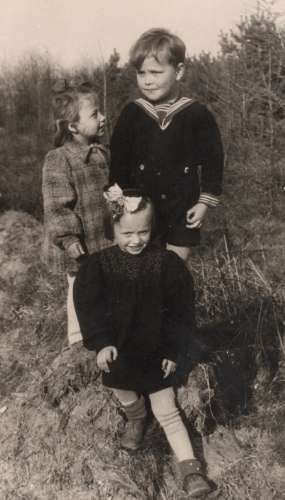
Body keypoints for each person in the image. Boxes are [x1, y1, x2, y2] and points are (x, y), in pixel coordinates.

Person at [73, 186, 211, 498]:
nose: (136, 241)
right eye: (127, 233)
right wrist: (101, 343)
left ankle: (191, 471)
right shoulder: (98, 267)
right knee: (118, 382)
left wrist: (174, 349)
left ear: (153, 229)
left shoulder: (166, 264)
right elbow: (89, 308)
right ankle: (135, 415)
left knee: (168, 411)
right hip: (119, 348)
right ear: (112, 231)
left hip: (156, 352)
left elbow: (181, 310)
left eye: (144, 232)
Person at [109, 28, 224, 262]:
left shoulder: (196, 115)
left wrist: (204, 202)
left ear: (178, 71)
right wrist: (117, 199)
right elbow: (118, 160)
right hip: (137, 210)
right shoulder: (132, 113)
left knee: (174, 274)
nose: (148, 80)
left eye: (156, 72)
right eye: (141, 73)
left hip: (182, 210)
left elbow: (214, 160)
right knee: (137, 272)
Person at [42, 78, 111, 347]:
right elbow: (56, 204)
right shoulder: (60, 158)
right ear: (73, 126)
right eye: (95, 114)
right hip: (79, 242)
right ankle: (78, 337)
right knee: (78, 286)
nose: (103, 117)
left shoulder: (102, 151)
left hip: (101, 236)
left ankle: (103, 332)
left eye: (101, 111)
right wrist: (69, 238)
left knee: (101, 285)